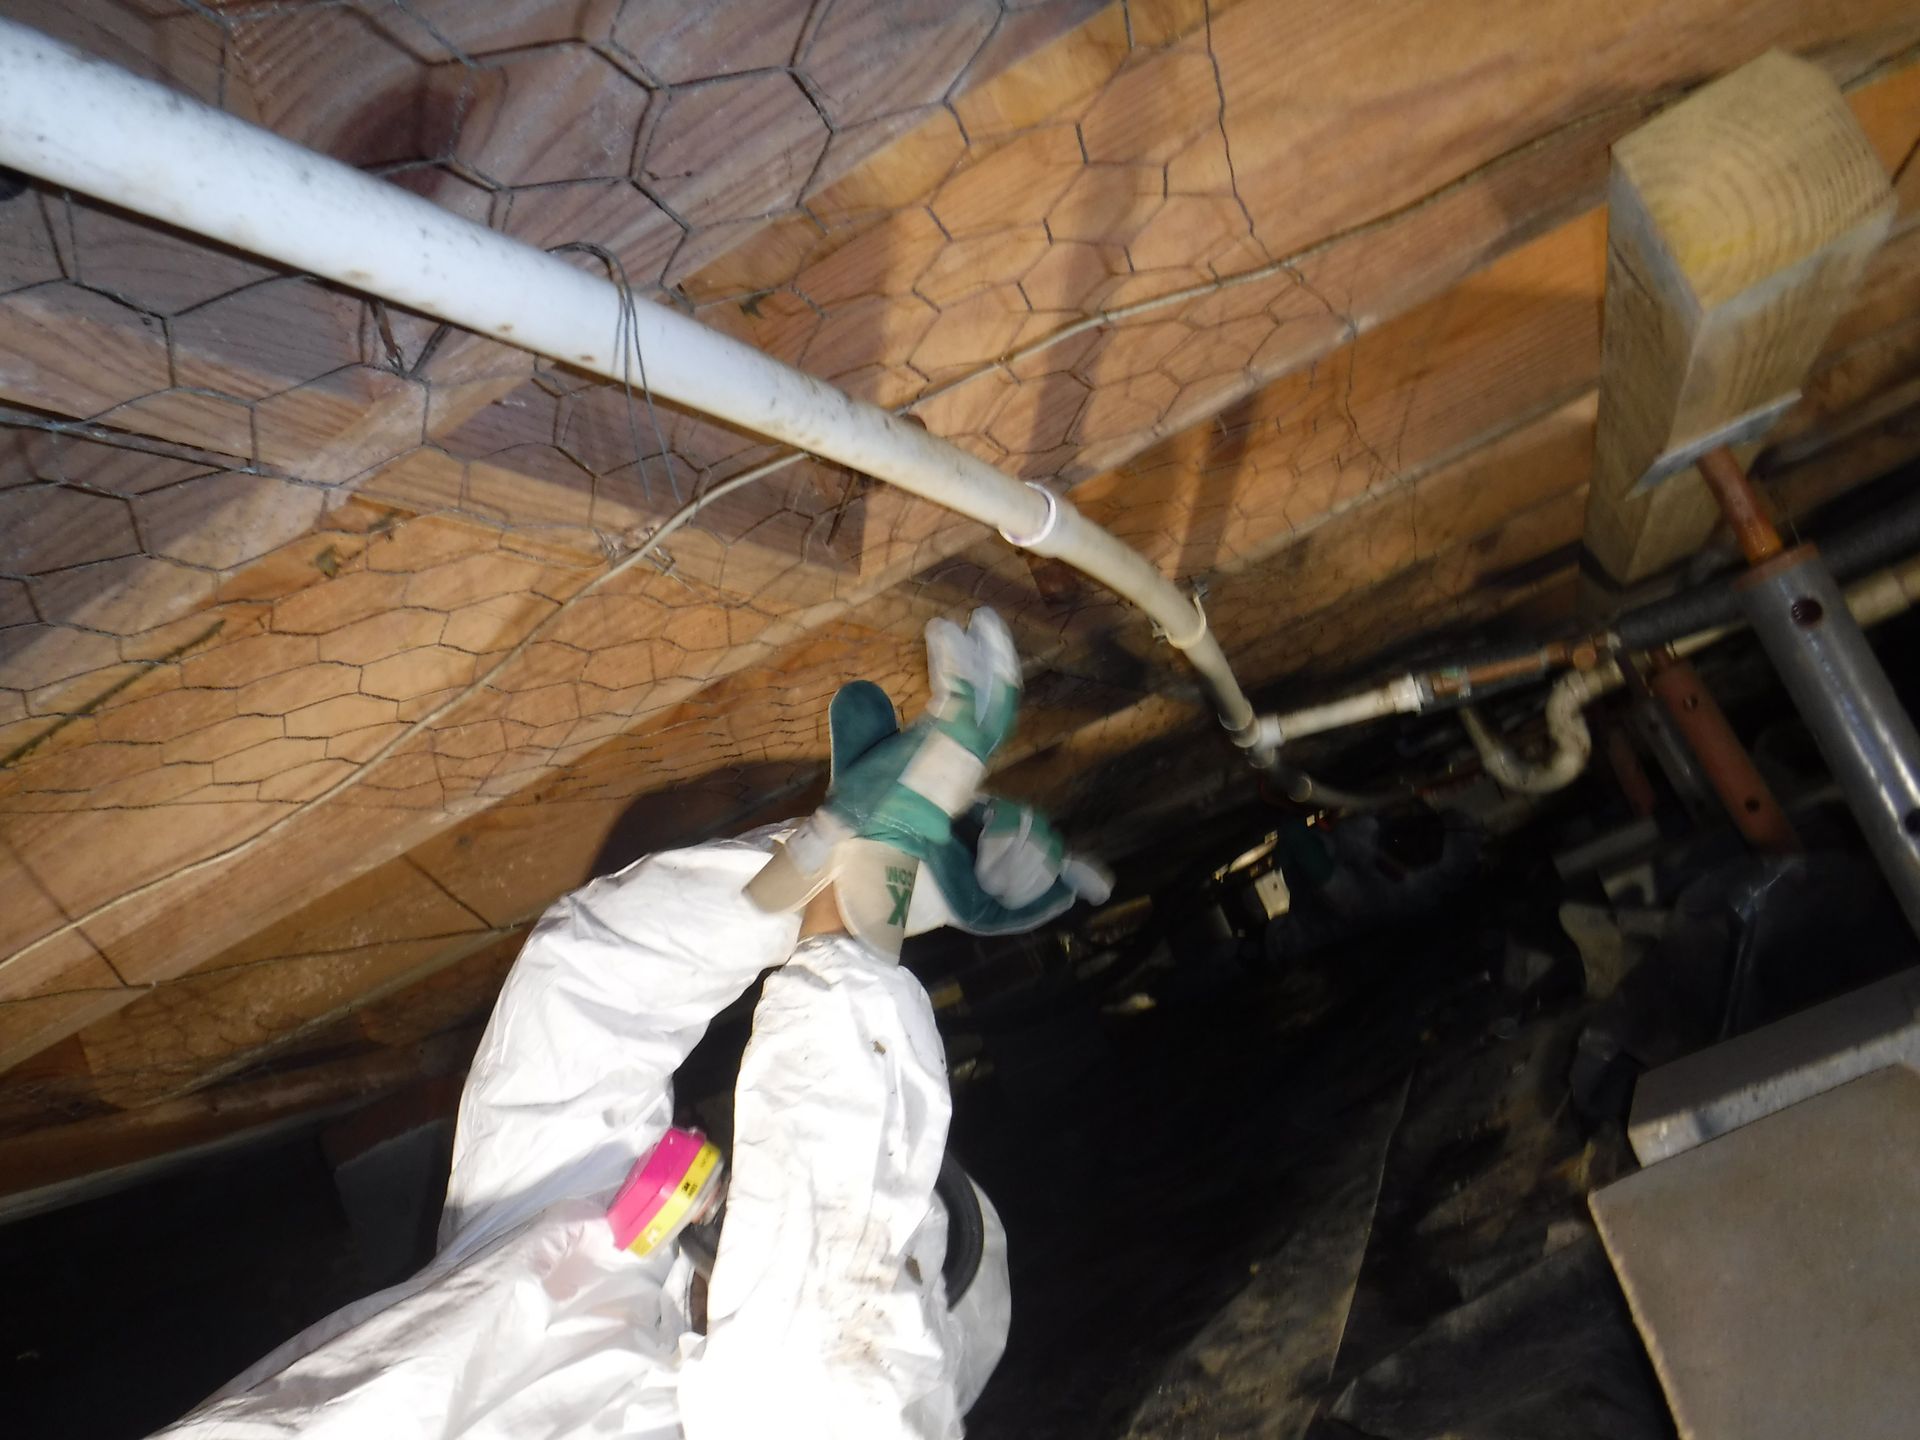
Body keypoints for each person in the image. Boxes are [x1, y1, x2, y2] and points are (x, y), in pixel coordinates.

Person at [153, 609, 1107, 1440]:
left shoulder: (570, 1308)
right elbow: (833, 1325)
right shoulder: (599, 1308)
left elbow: (831, 1328)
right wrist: (869, 892)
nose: (741, 1194)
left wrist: (859, 899)